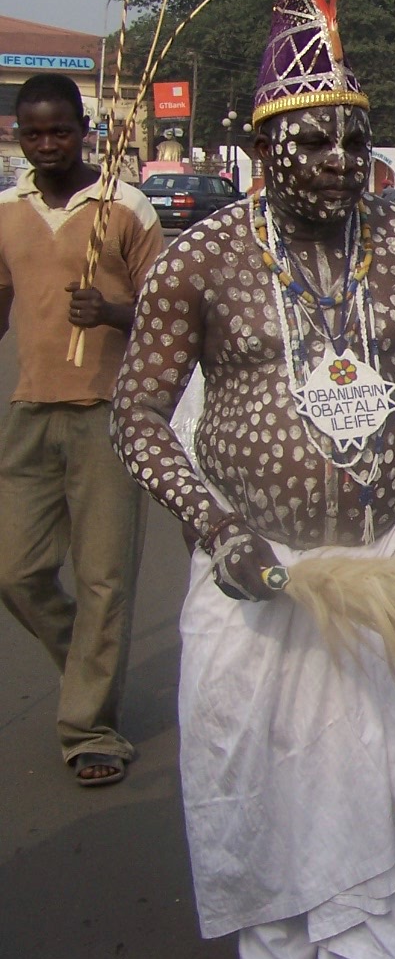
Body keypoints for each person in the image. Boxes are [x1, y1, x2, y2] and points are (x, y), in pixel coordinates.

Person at [109, 0, 395, 959]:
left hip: (390, 575)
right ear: (262, 149)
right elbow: (139, 418)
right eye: (311, 142)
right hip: (262, 594)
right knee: (270, 816)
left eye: (353, 142)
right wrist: (216, 527)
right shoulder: (201, 260)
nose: (337, 161)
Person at [0, 73, 162, 787]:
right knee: (17, 570)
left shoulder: (125, 207)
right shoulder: (6, 208)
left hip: (107, 412)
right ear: (16, 133)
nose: (45, 144)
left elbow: (168, 315)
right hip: (31, 408)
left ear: (85, 130)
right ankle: (85, 671)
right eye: (31, 133)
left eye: (58, 131)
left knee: (104, 578)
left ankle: (89, 727)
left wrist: (111, 312)